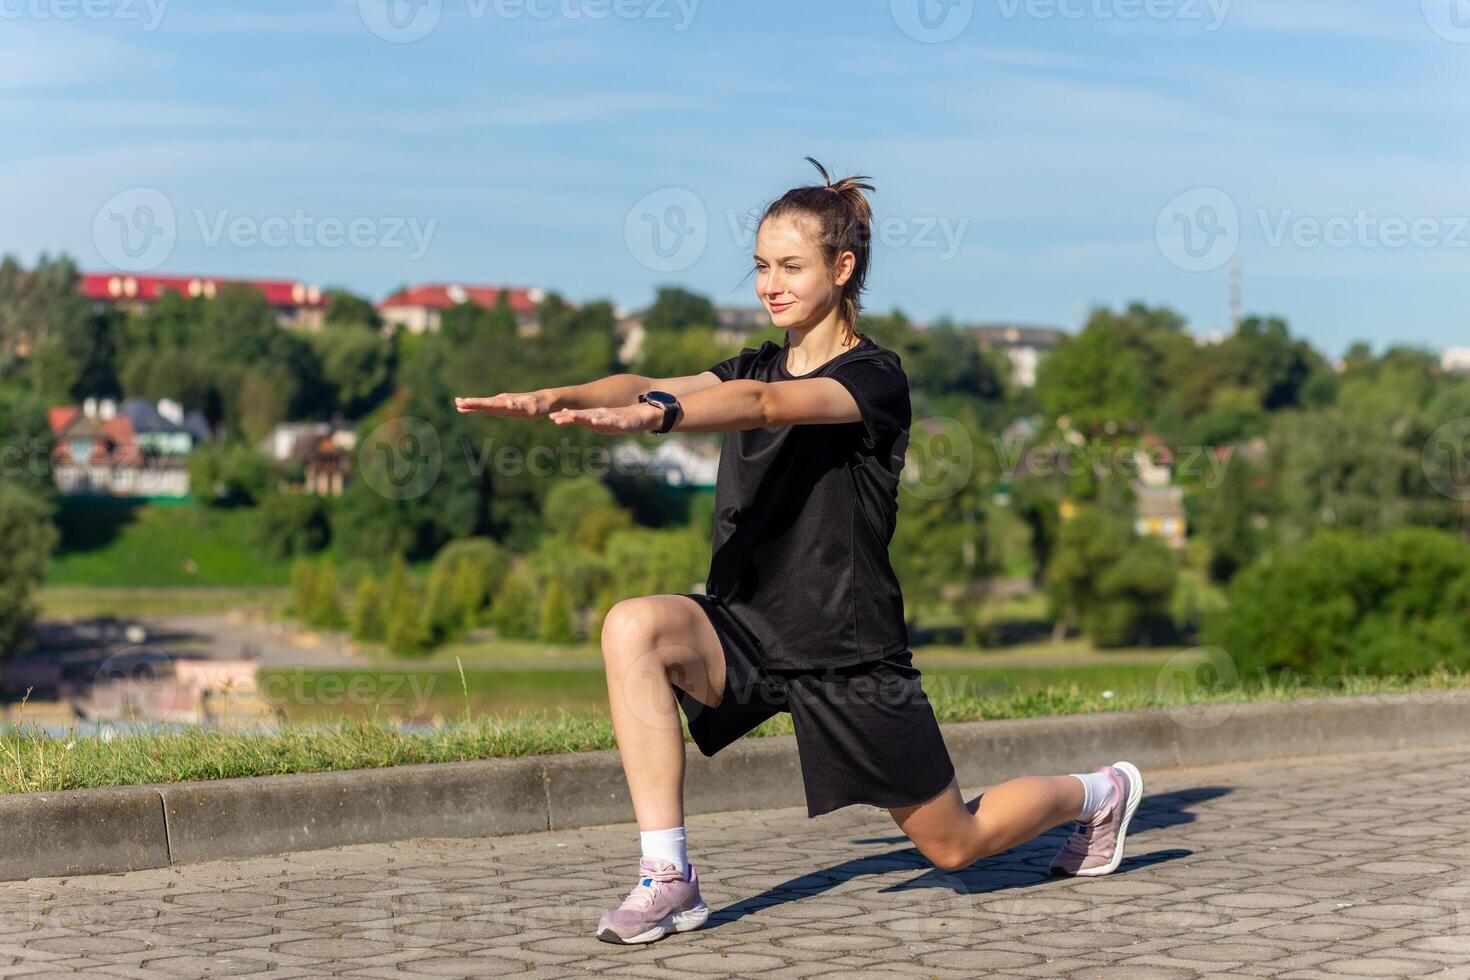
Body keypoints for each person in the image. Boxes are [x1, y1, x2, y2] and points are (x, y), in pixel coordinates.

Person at [455, 158, 1144, 947]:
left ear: (841, 267)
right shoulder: (750, 360)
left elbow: (765, 404)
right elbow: (651, 376)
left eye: (789, 266)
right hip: (746, 627)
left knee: (955, 844)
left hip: (845, 649)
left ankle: (1099, 794)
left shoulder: (875, 378)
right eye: (759, 267)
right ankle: (668, 876)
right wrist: (562, 397)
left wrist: (658, 418)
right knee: (631, 627)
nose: (768, 285)